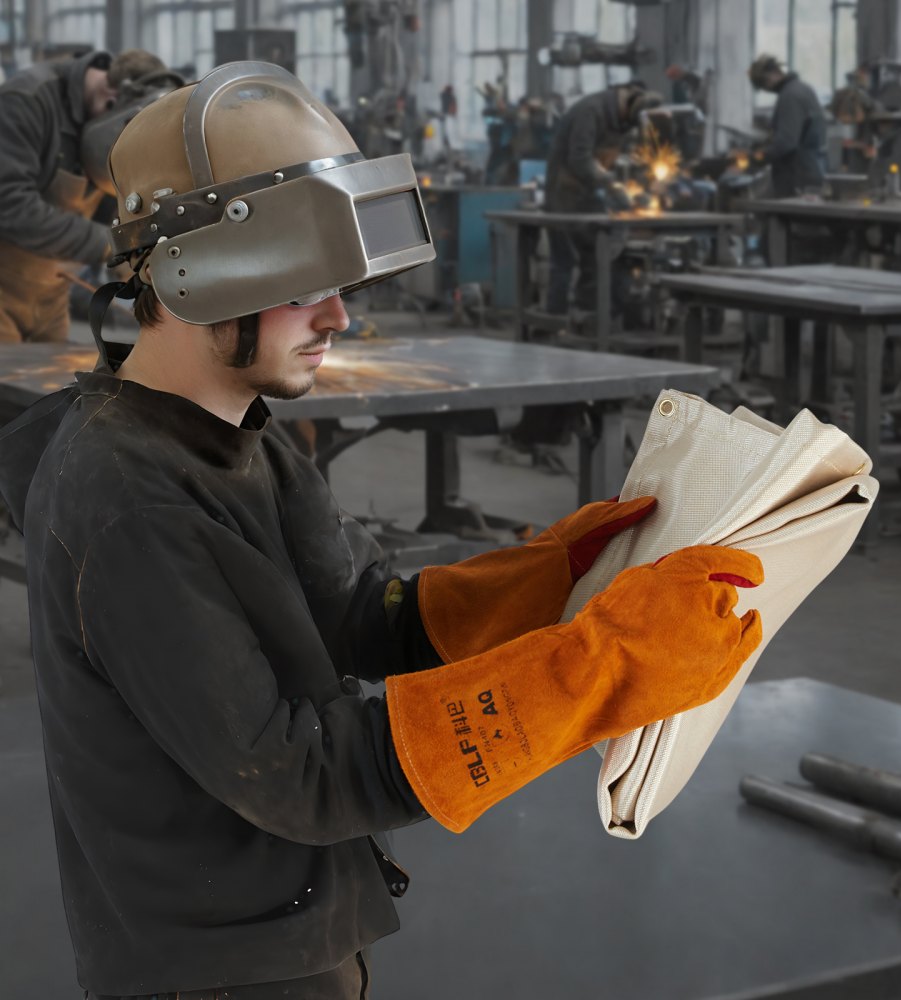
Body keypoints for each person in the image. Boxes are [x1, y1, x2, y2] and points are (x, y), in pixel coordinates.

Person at [0, 62, 764, 1000]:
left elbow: (361, 612)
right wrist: (597, 666)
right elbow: (298, 772)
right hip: (216, 975)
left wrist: (552, 576)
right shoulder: (126, 503)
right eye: (305, 284)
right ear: (201, 273)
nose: (339, 316)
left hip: (288, 931)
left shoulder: (236, 435)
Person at [0, 47, 168, 344]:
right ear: (110, 99)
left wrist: (136, 251)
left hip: (50, 295)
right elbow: (11, 206)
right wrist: (111, 246)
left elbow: (114, 200)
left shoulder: (100, 117)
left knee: (51, 372)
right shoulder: (26, 101)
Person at [542, 80, 661, 316]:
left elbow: (615, 158)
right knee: (564, 261)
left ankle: (589, 317)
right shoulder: (591, 111)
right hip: (562, 194)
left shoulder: (620, 118)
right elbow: (580, 159)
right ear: (627, 103)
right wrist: (611, 185)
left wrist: (636, 186)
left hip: (586, 195)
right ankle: (553, 322)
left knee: (596, 255)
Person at [748, 53, 827, 198]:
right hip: (810, 171)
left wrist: (758, 157)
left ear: (773, 74)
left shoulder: (790, 96)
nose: (766, 88)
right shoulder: (802, 88)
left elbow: (786, 142)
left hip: (797, 177)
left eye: (764, 83)